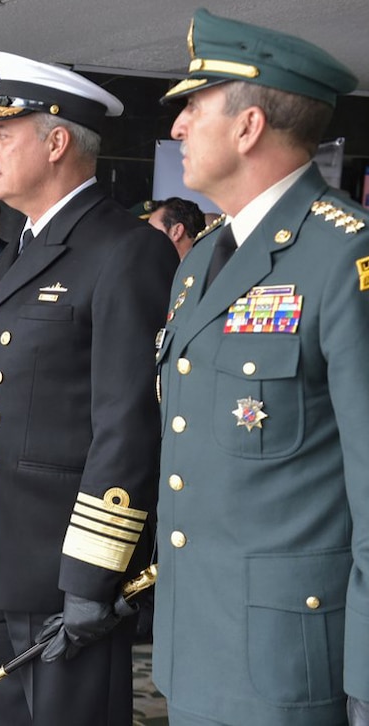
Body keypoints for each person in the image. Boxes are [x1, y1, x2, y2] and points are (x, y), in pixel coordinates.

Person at [0, 52, 178, 726]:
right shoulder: (23, 246)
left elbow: (126, 425)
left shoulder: (125, 250)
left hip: (60, 569)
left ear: (58, 140)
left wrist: (93, 579)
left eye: (2, 135)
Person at [153, 10, 367, 726]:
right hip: (195, 642)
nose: (178, 126)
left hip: (287, 658)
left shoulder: (344, 257)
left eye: (195, 106)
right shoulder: (201, 266)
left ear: (248, 128)